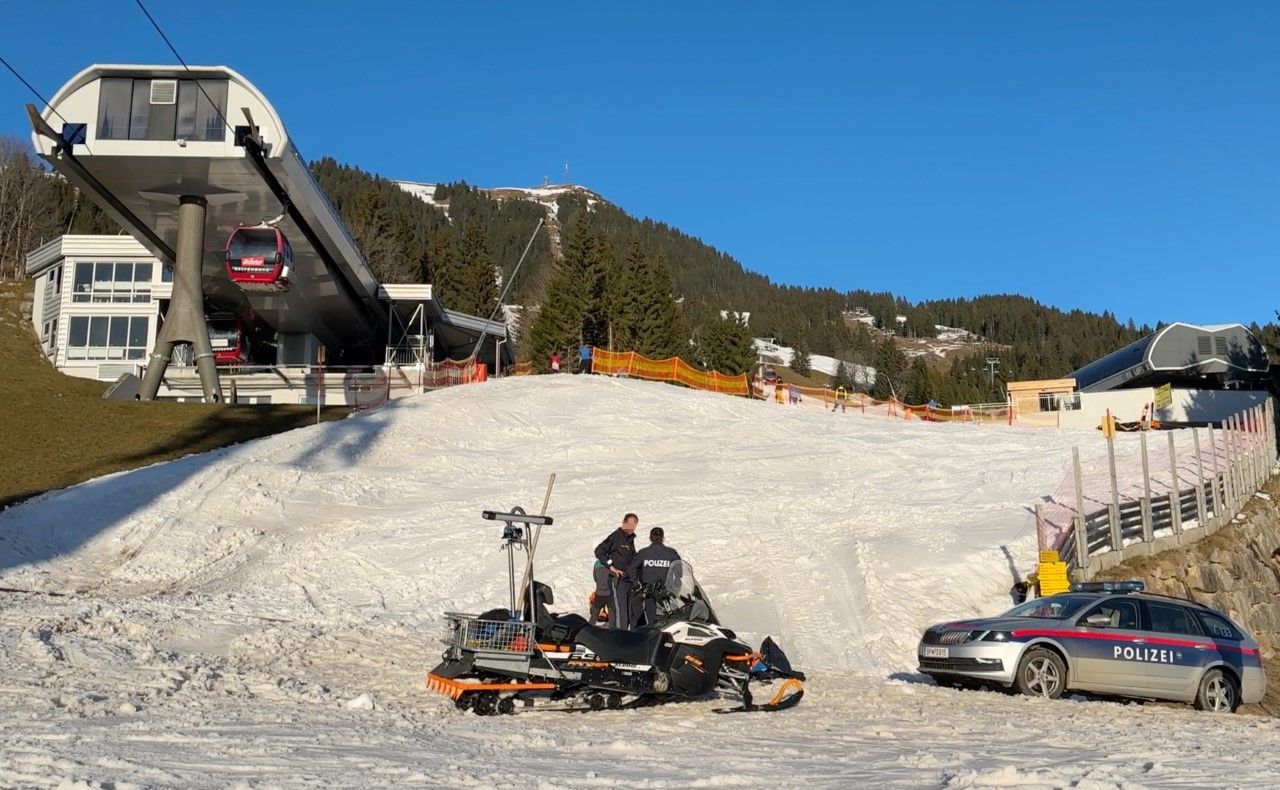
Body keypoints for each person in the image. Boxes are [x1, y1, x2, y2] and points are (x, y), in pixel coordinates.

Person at [628, 527, 682, 627]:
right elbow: (679, 571)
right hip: (666, 594)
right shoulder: (671, 553)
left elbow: (631, 569)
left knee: (650, 623)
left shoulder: (644, 553)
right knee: (669, 624)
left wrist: (637, 584)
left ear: (650, 538)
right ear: (663, 538)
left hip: (648, 593)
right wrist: (674, 587)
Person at [593, 513, 638, 628]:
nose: (631, 528)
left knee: (628, 611)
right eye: (630, 525)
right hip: (618, 580)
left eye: (634, 526)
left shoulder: (630, 539)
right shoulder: (616, 537)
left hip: (629, 580)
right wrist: (611, 566)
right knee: (620, 612)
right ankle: (619, 635)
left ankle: (626, 634)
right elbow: (599, 551)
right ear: (624, 523)